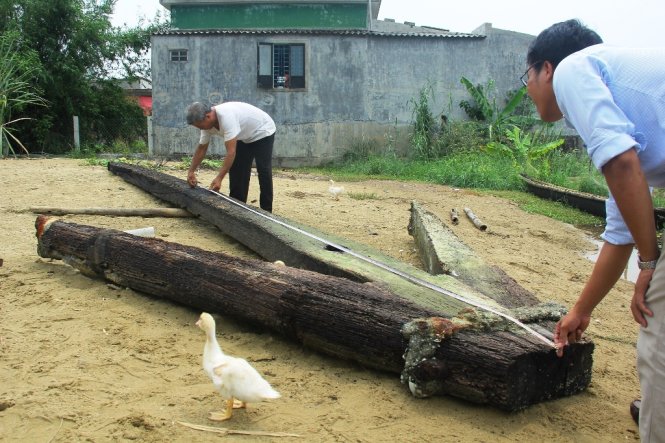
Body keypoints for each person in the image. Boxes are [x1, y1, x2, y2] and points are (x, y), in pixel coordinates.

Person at [523, 19, 665, 442]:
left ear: (546, 69)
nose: (528, 88)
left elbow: (622, 164)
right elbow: (620, 229)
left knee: (658, 336)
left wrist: (650, 261)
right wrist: (581, 312)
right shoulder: (620, 97)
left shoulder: (572, 70)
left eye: (526, 76)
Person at [185, 101, 276, 212]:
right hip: (243, 135)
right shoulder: (206, 125)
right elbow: (202, 148)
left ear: (207, 116)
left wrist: (219, 178)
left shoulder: (226, 117)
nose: (200, 129)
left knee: (263, 170)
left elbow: (230, 152)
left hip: (262, 130)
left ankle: (266, 211)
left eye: (200, 126)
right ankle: (236, 207)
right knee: (238, 169)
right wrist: (191, 171)